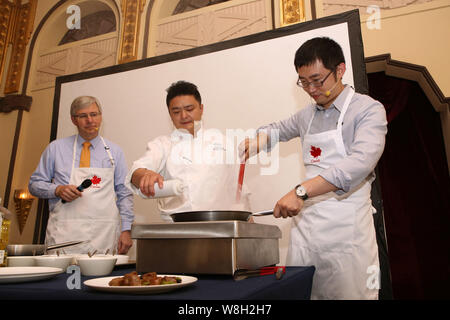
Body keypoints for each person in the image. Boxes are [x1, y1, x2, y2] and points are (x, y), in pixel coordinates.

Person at [240, 37, 387, 299]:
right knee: (303, 292)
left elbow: (358, 163)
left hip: (347, 232)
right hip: (307, 231)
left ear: (339, 70)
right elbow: (276, 130)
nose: (310, 89)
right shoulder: (306, 116)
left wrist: (300, 192)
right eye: (303, 81)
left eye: (317, 80)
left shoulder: (367, 110)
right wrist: (259, 140)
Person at [125, 81, 250, 220]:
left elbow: (238, 187)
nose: (184, 116)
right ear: (170, 114)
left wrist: (247, 218)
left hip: (219, 227)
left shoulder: (222, 142)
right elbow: (136, 171)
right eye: (176, 111)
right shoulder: (162, 145)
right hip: (178, 229)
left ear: (201, 109)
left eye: (189, 109)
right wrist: (145, 175)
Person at [29, 96, 134, 254]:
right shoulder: (56, 148)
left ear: (101, 116)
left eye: (94, 114)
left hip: (103, 235)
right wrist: (57, 190)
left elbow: (124, 192)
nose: (90, 120)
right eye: (83, 116)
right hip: (64, 234)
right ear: (74, 120)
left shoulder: (115, 152)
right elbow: (34, 184)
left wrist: (126, 230)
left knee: (101, 278)